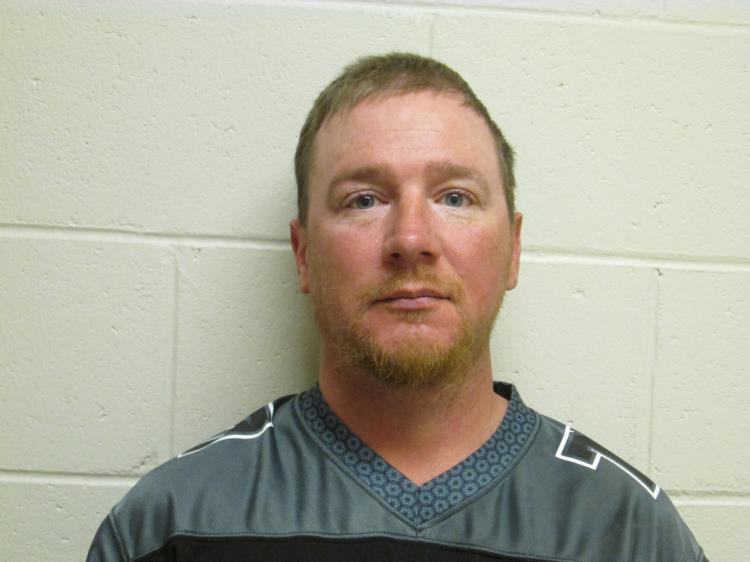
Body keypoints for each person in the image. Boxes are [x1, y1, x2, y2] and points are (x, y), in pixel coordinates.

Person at [87, 53, 707, 562]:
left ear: (513, 251)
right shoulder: (171, 527)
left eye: (455, 197)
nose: (411, 239)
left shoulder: (628, 532)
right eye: (364, 200)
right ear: (304, 256)